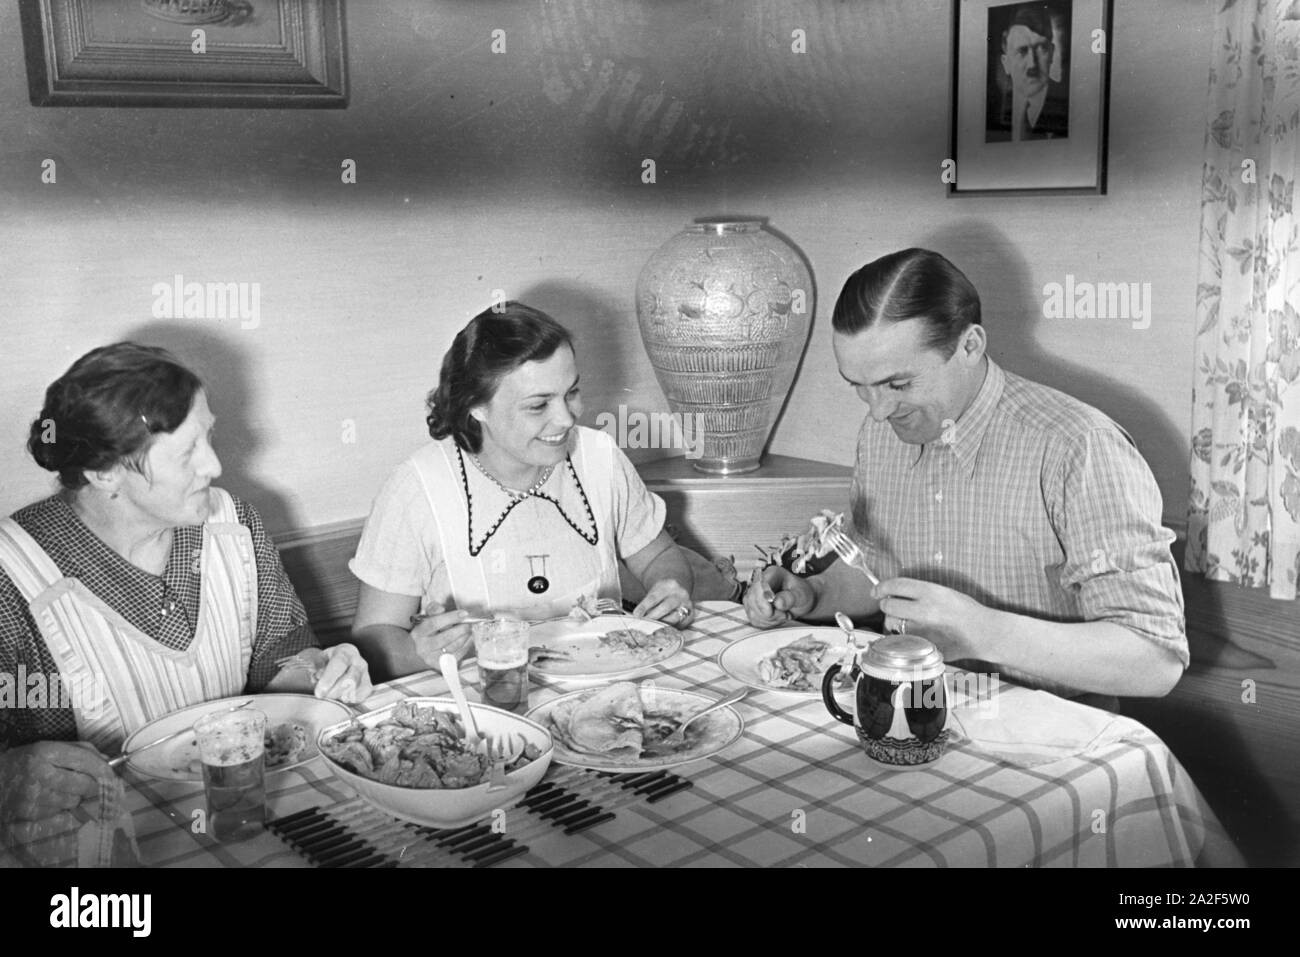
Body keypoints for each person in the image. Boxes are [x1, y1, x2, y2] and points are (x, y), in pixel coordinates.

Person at [744, 249, 1188, 700]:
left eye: (898, 385)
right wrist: (813, 594)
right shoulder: (884, 433)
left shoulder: (1077, 446)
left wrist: (984, 633)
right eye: (859, 386)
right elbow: (880, 576)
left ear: (970, 346)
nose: (878, 413)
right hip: (911, 712)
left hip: (1044, 741)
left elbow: (1155, 662)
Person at [0, 343, 372, 856]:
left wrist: (323, 670)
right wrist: (8, 775)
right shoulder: (12, 575)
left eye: (210, 437)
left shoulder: (234, 525)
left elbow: (280, 662)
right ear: (104, 471)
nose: (215, 465)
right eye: (187, 452)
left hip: (243, 827)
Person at [350, 302, 732, 680]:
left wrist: (671, 587)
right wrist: (417, 651)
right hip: (486, 709)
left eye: (571, 393)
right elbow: (372, 635)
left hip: (603, 692)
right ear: (477, 407)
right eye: (538, 405)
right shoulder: (417, 489)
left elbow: (658, 554)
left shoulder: (600, 458)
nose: (566, 418)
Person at [987, 4, 1069, 142]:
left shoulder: (1065, 110)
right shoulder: (992, 114)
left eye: (1041, 48)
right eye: (1022, 51)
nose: (1032, 64)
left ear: (1052, 53)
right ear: (1006, 62)